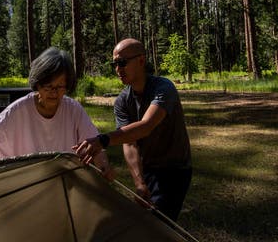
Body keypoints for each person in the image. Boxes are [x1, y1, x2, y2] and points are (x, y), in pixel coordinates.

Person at [73, 38, 191, 220]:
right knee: (151, 222)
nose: (118, 69)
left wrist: (102, 140)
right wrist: (139, 182)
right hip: (149, 167)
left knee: (159, 225)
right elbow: (129, 142)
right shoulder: (122, 101)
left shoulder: (164, 88)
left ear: (141, 61)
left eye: (122, 63)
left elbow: (146, 126)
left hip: (175, 168)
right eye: (115, 64)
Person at [0, 47, 112, 178]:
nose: (54, 92)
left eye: (60, 87)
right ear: (37, 84)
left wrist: (104, 167)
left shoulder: (73, 109)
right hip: (31, 185)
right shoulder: (18, 111)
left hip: (66, 181)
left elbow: (95, 144)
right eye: (48, 86)